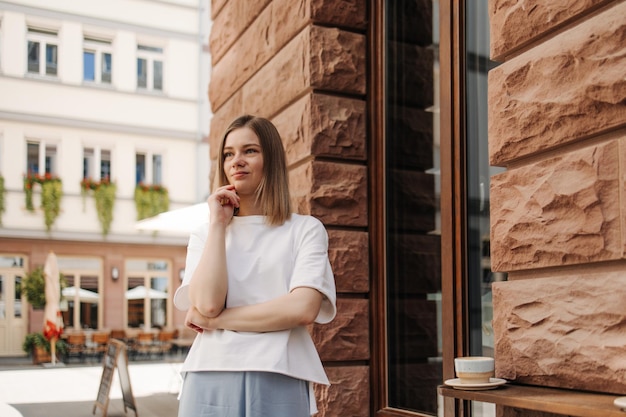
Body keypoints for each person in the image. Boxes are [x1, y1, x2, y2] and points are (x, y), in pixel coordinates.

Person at [174, 114, 337, 417]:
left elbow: (302, 309)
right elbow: (208, 304)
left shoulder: (305, 229)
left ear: (271, 160)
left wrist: (217, 323)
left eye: (250, 150)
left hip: (279, 373)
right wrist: (218, 225)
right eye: (228, 154)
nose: (236, 161)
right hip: (209, 373)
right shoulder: (205, 234)